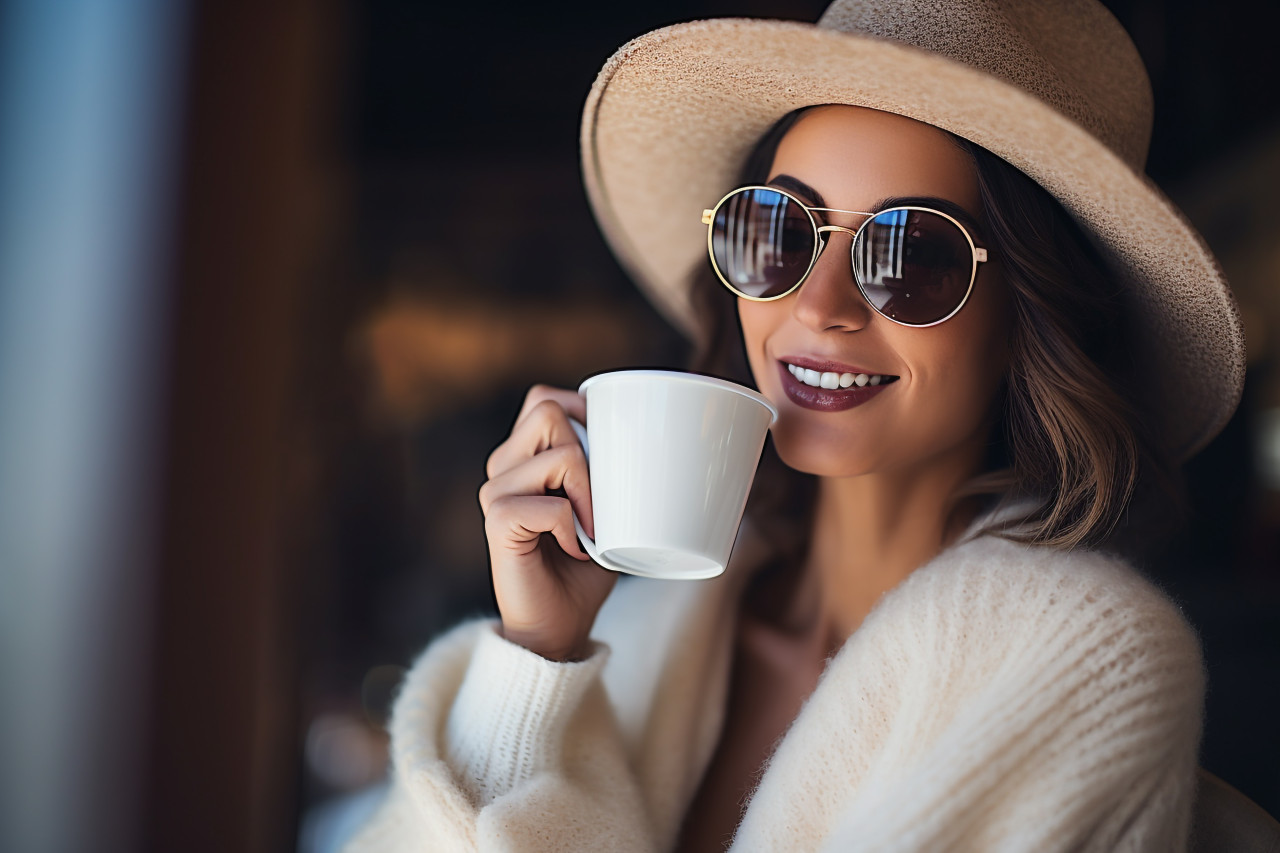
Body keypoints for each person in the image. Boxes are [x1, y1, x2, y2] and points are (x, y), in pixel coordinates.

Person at [345, 0, 1246, 850]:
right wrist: (535, 664)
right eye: (779, 231)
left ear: (1032, 313)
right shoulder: (652, 629)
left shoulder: (1091, 661)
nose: (820, 305)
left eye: (912, 256)